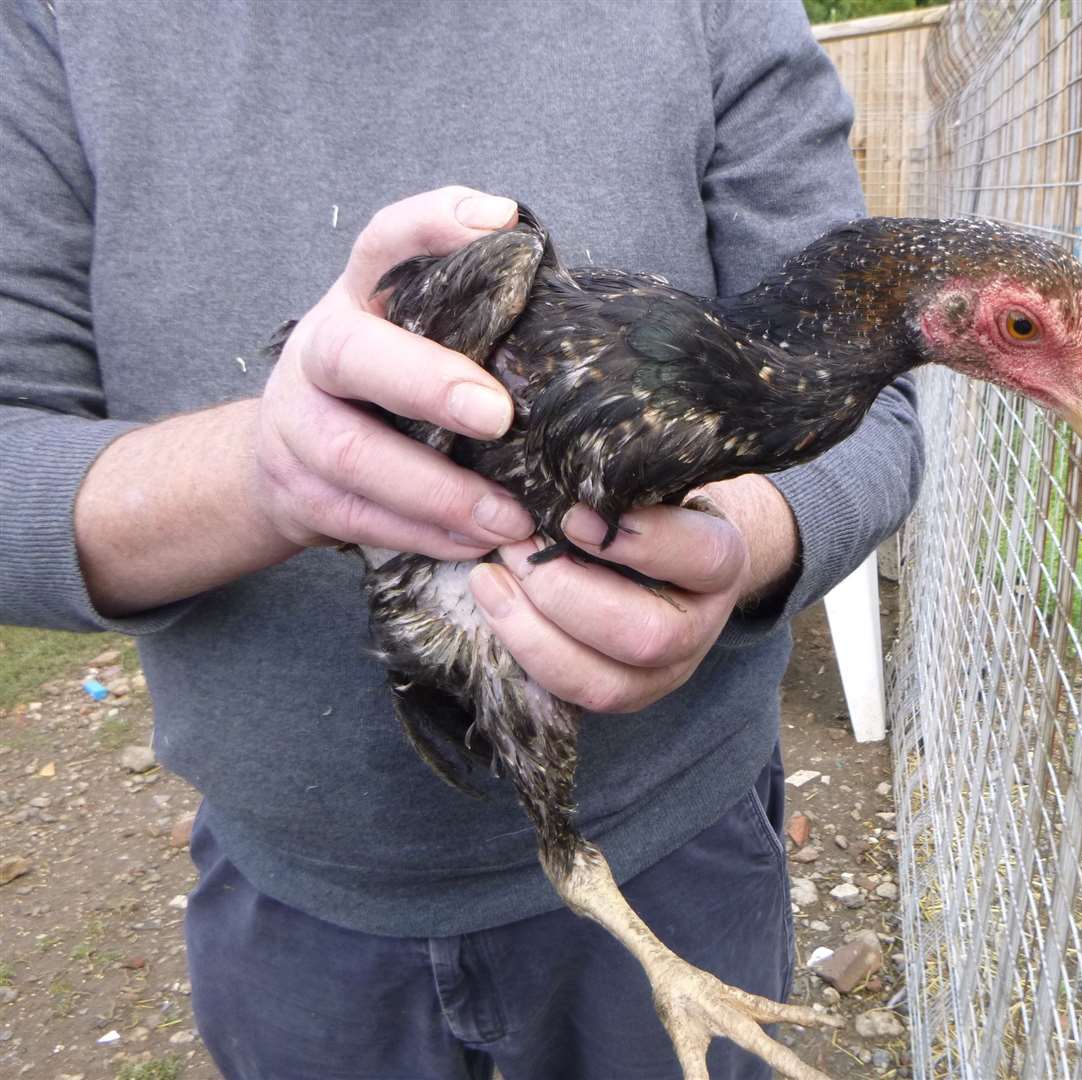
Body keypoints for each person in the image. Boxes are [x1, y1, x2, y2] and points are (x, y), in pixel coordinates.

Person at [0, 1, 923, 1077]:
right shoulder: (49, 24)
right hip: (296, 902)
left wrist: (741, 540)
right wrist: (271, 471)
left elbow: (879, 420)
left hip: (681, 843)